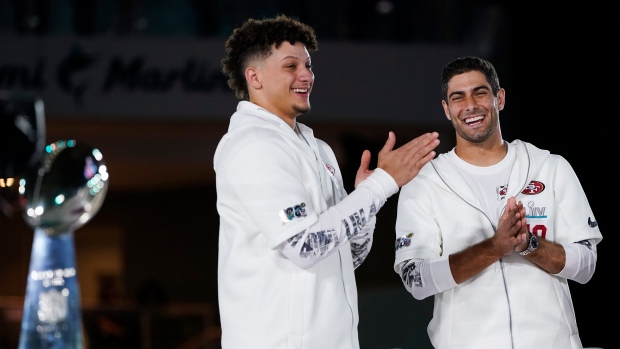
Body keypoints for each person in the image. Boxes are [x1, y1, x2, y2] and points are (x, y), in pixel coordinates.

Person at [213, 14, 440, 349]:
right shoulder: (253, 146)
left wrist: (366, 199)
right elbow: (305, 247)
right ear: (255, 77)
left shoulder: (317, 149)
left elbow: (345, 257)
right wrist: (384, 185)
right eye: (291, 66)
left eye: (308, 65)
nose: (306, 75)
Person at [393, 56, 602, 349]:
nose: (470, 105)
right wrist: (494, 247)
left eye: (480, 92)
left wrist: (528, 244)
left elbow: (585, 266)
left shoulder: (550, 167)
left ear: (499, 98)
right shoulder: (426, 182)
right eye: (458, 97)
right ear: (446, 109)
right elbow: (416, 281)